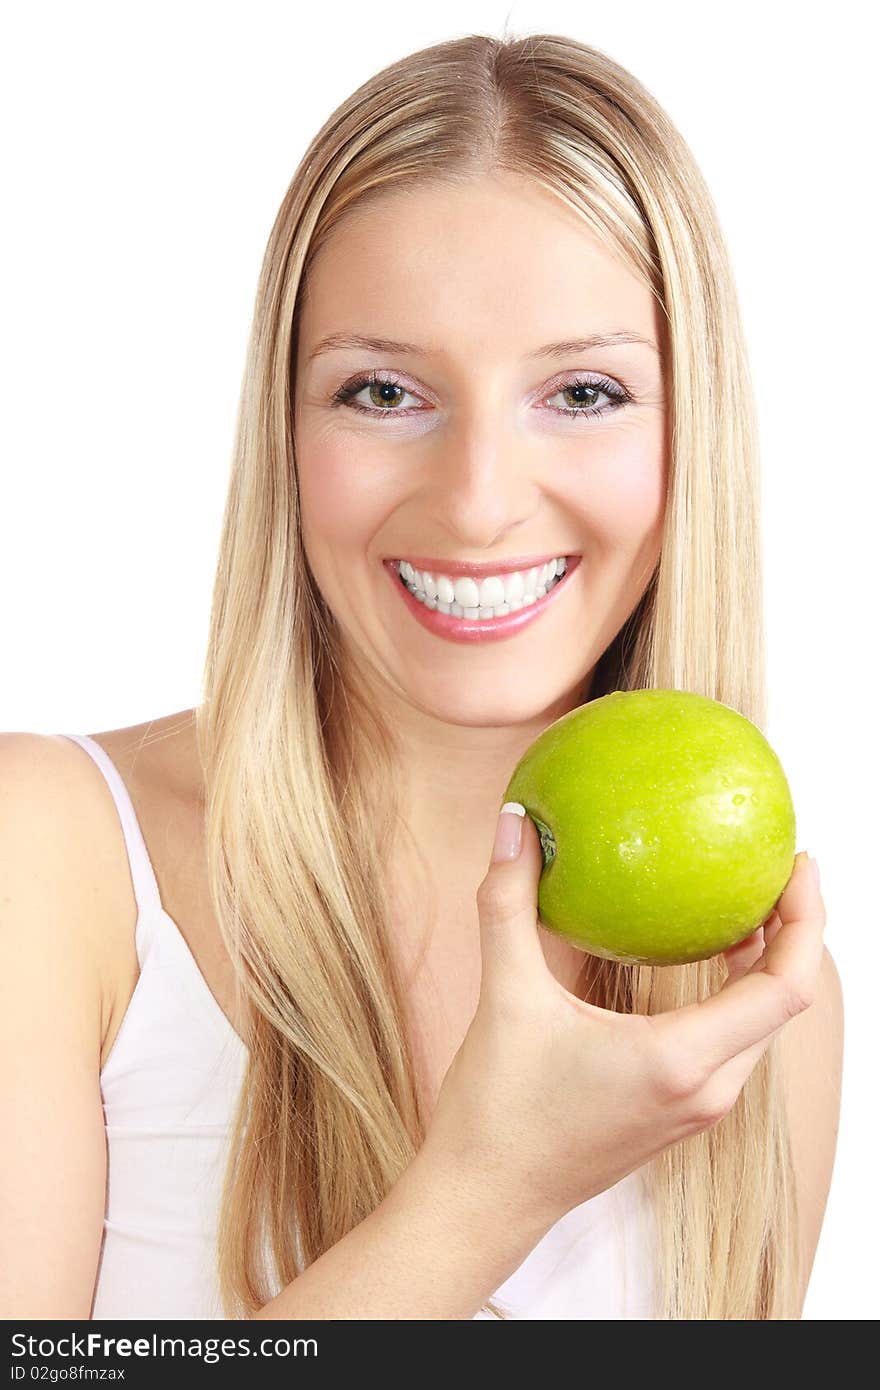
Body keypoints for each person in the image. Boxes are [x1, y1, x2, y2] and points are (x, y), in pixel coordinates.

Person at [0, 31, 842, 1322]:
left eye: (584, 390)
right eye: (385, 389)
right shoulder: (49, 861)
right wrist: (487, 1190)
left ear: (693, 435)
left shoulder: (753, 1011)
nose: (481, 501)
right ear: (285, 430)